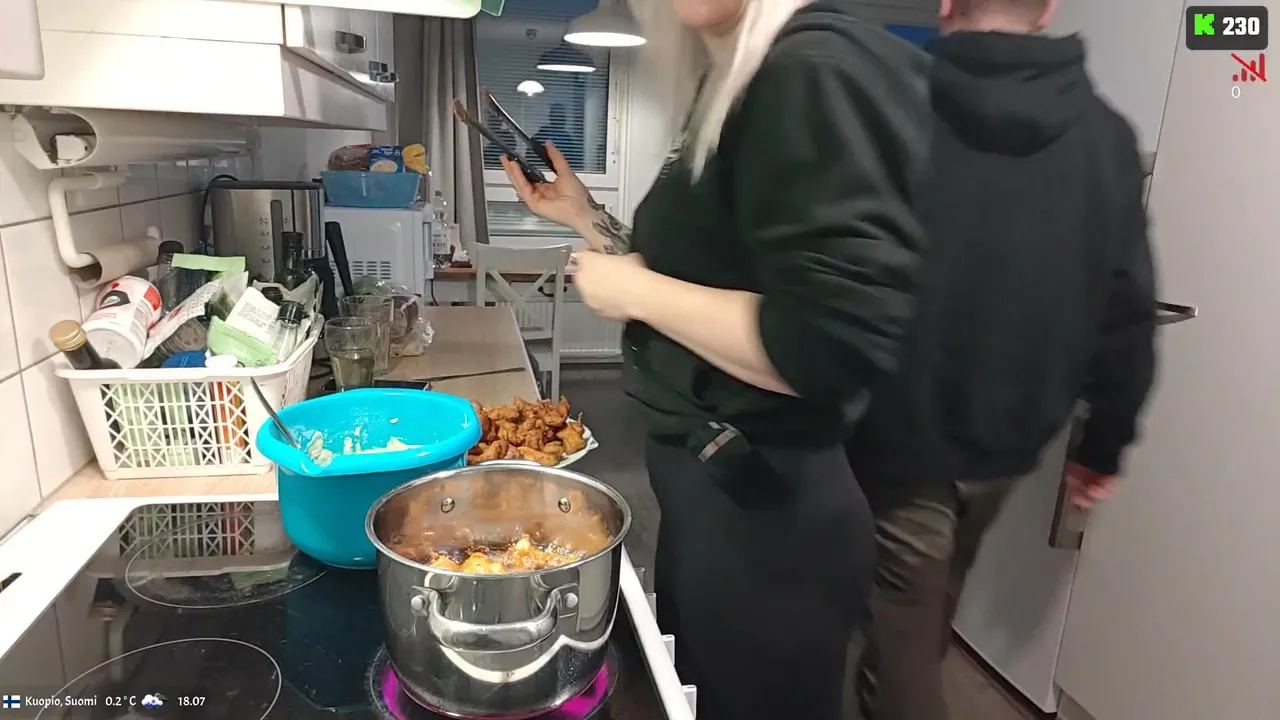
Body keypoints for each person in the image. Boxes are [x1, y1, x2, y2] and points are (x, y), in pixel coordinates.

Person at [501, 1, 929, 718]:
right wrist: (582, 215)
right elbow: (699, 280)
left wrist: (637, 291)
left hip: (771, 519)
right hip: (718, 496)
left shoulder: (811, 69)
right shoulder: (736, 79)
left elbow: (824, 346)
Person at [844, 1, 1159, 718]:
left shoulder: (894, 109)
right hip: (1013, 437)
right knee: (925, 604)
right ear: (1047, 9)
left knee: (905, 622)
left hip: (899, 430)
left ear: (946, 4)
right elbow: (1128, 309)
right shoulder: (1107, 138)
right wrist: (1104, 444)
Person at [531, 103, 578, 168]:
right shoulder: (541, 134)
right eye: (557, 116)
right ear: (551, 117)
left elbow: (573, 160)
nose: (561, 118)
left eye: (561, 116)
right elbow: (531, 155)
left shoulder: (567, 138)